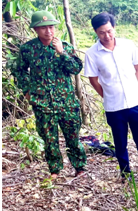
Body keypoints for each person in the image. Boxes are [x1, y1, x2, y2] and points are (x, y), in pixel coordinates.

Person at [84, 12, 138, 183]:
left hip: (136, 103)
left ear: (114, 28)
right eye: (101, 32)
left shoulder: (128, 45)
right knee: (120, 143)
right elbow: (93, 79)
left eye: (109, 31)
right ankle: (126, 174)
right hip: (114, 107)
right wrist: (107, 95)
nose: (106, 36)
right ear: (95, 32)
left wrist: (132, 88)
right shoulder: (92, 53)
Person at [14, 10, 87, 179]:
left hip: (67, 102)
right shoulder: (28, 49)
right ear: (36, 30)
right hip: (42, 103)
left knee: (73, 137)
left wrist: (62, 52)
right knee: (49, 139)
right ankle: (55, 170)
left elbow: (76, 68)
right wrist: (27, 91)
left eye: (51, 27)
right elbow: (19, 70)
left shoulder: (65, 46)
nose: (48, 31)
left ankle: (80, 167)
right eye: (43, 28)